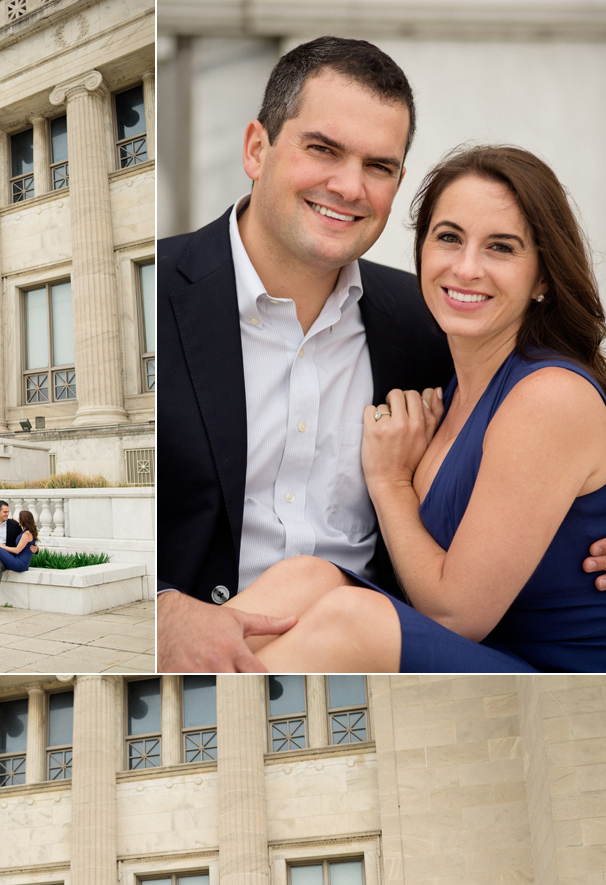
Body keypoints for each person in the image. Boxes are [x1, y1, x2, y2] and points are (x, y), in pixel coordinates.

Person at [156, 41, 606, 674]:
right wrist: (157, 614)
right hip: (239, 629)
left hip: (417, 651)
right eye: (323, 148)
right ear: (257, 148)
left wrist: (390, 482)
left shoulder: (430, 324)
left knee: (343, 610)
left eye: (379, 165)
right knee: (310, 577)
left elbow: (571, 425)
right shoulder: (142, 292)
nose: (348, 185)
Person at [228, 146, 606, 672]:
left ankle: (234, 733)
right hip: (480, 652)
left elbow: (455, 616)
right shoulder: (445, 387)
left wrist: (390, 482)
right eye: (448, 237)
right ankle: (189, 655)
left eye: (501, 248)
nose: (466, 267)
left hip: (558, 675)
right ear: (423, 250)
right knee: (307, 576)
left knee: (350, 618)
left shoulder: (549, 396)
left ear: (543, 276)